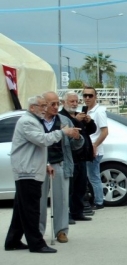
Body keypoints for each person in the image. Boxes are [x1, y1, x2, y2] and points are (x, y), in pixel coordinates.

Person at [4, 95, 79, 253]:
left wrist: (45, 164)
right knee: (32, 209)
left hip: (30, 169)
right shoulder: (28, 122)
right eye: (42, 106)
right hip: (28, 171)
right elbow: (43, 140)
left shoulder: (33, 120)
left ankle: (13, 240)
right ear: (32, 108)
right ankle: (36, 243)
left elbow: (37, 147)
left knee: (21, 209)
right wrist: (62, 132)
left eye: (47, 105)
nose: (45, 109)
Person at [39, 91, 84, 244]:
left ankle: (61, 231)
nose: (56, 107)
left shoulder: (64, 120)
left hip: (60, 163)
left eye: (57, 103)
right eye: (52, 104)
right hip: (40, 165)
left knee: (62, 200)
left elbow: (75, 145)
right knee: (39, 201)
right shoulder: (37, 121)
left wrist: (77, 138)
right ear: (44, 105)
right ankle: (38, 231)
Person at [59, 91, 96, 222]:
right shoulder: (61, 117)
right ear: (64, 103)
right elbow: (68, 134)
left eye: (76, 101)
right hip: (70, 158)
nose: (75, 104)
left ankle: (78, 212)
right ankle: (67, 215)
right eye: (71, 101)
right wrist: (76, 121)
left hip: (82, 157)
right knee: (69, 189)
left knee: (80, 187)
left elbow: (90, 131)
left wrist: (89, 121)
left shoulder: (78, 116)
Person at [83, 87, 108, 210]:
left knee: (93, 176)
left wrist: (95, 145)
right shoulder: (86, 111)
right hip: (86, 148)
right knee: (90, 176)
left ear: (95, 97)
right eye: (85, 95)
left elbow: (105, 132)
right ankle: (95, 199)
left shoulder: (99, 112)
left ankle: (99, 201)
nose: (87, 98)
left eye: (90, 95)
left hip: (94, 149)